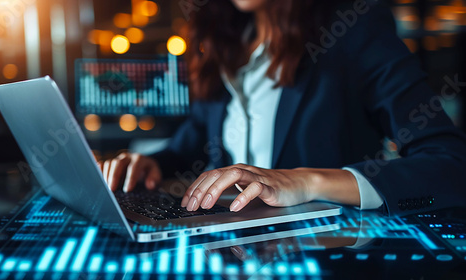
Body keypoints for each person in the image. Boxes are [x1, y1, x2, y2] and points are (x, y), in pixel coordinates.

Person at [101, 0, 466, 215]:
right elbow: (191, 144)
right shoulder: (223, 42)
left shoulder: (354, 29)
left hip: (324, 258)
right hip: (230, 255)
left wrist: (306, 180)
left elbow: (450, 164)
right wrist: (150, 165)